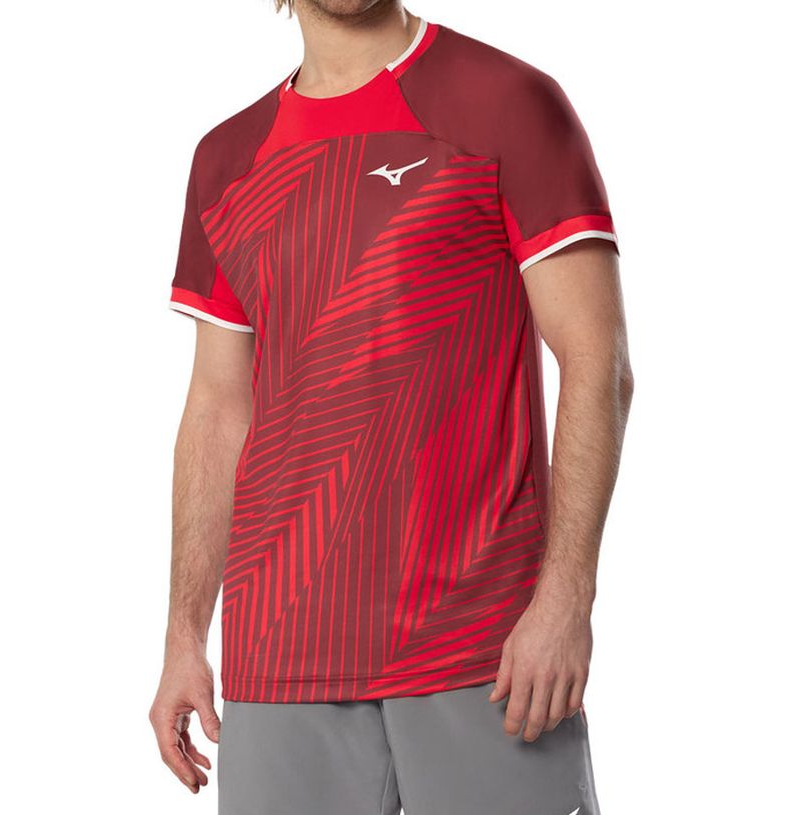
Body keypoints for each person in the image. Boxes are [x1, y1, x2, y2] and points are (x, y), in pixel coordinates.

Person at [149, 1, 634, 813]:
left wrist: (565, 600)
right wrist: (183, 636)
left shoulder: (506, 103)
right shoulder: (226, 158)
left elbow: (598, 361)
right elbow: (216, 409)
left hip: (483, 649)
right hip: (280, 658)